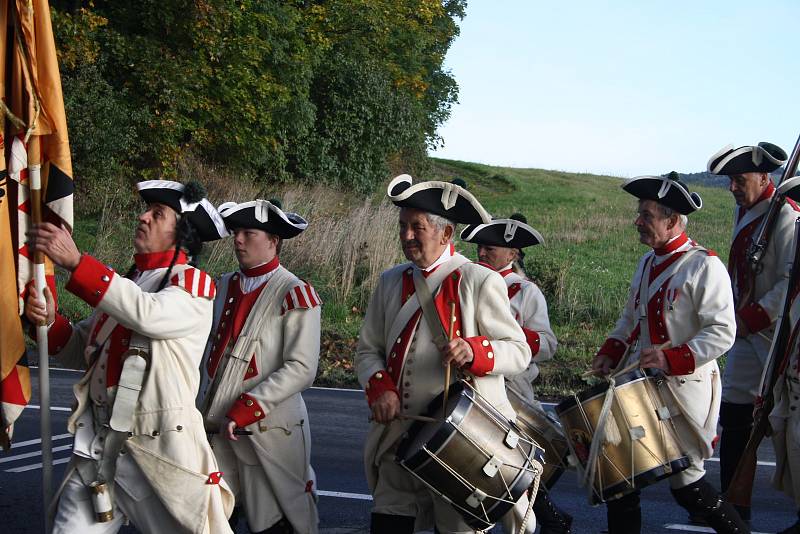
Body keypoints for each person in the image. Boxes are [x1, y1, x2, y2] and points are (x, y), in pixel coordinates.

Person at [24, 180, 234, 534]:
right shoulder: (128, 282)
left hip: (158, 450)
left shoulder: (193, 286)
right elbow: (80, 349)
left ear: (181, 232)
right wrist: (46, 322)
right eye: (146, 209)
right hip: (100, 448)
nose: (143, 217)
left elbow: (146, 315)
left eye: (158, 213)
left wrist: (77, 263)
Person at [355, 175, 533, 534]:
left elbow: (518, 352)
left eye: (416, 227)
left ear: (446, 234)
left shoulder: (479, 281)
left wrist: (474, 350)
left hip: (459, 444)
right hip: (397, 435)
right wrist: (380, 388)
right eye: (403, 226)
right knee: (387, 523)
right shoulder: (391, 281)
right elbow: (367, 350)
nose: (406, 236)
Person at [591, 172, 748, 534]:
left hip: (688, 391)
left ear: (672, 220)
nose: (638, 222)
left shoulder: (704, 266)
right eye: (640, 214)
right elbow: (632, 317)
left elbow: (723, 332)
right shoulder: (646, 263)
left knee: (688, 487)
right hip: (647, 389)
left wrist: (670, 357)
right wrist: (611, 352)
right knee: (623, 477)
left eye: (646, 215)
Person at [199, 198, 320, 534]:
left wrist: (251, 405)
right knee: (212, 514)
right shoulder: (223, 285)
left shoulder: (295, 292)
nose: (238, 239)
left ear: (273, 241)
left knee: (271, 521)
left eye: (248, 233)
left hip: (267, 429)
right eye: (236, 232)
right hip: (217, 423)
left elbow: (302, 367)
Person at [461, 213, 570, 534]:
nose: (481, 254)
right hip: (476, 385)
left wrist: (512, 337)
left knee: (516, 464)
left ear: (512, 254)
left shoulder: (526, 292)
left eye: (490, 249)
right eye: (480, 247)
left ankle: (547, 521)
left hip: (513, 388)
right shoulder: (469, 281)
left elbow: (548, 343)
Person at [707, 141, 796, 520]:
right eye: (731, 180)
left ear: (765, 177)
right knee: (735, 416)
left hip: (776, 334)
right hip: (746, 332)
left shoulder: (787, 216)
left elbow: (791, 282)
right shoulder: (747, 212)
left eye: (739, 179)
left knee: (785, 423)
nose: (732, 187)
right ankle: (732, 499)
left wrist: (752, 317)